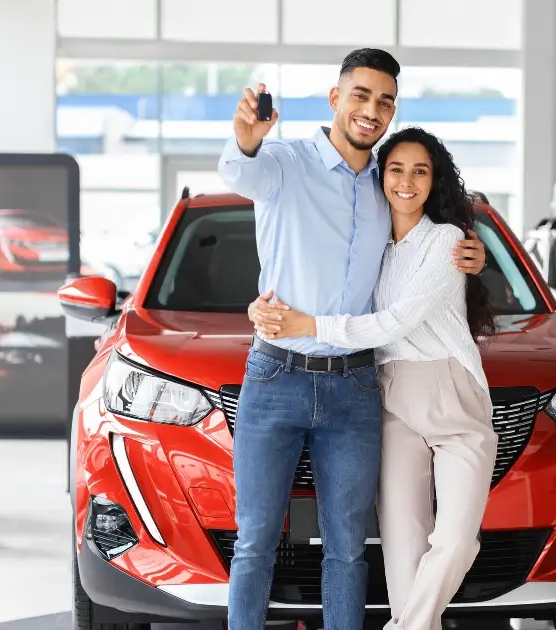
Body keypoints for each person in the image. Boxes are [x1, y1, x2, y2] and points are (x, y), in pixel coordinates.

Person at [218, 48, 487, 630]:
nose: (371, 110)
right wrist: (245, 139)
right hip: (275, 376)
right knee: (256, 539)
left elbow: (423, 245)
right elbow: (241, 174)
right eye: (360, 95)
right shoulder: (285, 161)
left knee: (347, 547)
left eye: (384, 100)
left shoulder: (385, 186)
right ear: (335, 98)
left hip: (358, 387)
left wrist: (473, 251)